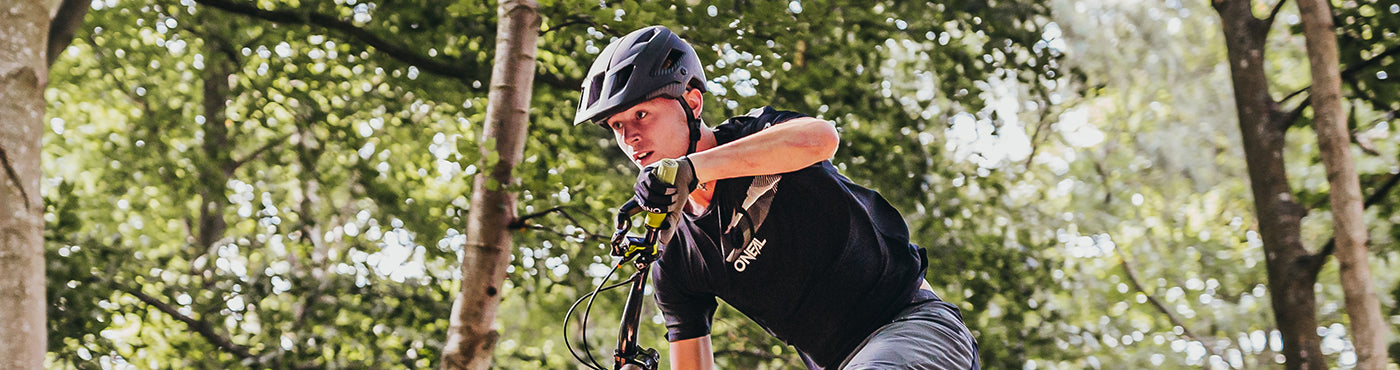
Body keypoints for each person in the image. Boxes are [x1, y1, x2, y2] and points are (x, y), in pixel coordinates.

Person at [574, 25, 980, 370]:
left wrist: (693, 169)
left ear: (692, 103)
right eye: (616, 125)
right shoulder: (676, 254)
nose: (629, 138)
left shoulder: (758, 137)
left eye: (641, 115)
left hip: (913, 324)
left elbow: (821, 138)